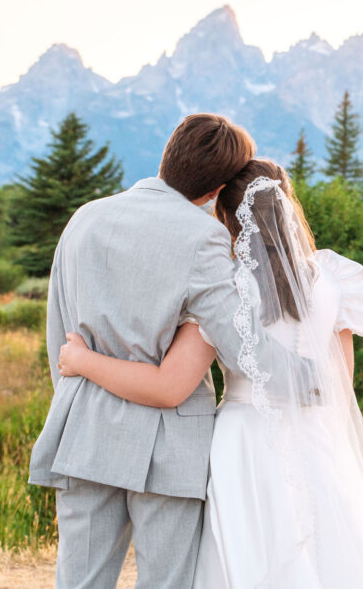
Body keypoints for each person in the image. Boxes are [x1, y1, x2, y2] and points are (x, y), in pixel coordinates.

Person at [58, 159, 363, 588]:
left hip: (244, 444)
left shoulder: (224, 289)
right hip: (319, 440)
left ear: (226, 214)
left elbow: (169, 387)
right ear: (287, 205)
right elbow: (338, 387)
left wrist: (83, 362)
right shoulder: (337, 279)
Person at [29, 114, 311, 588]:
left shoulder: (84, 219)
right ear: (216, 189)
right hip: (168, 448)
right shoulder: (204, 237)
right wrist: (311, 377)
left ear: (167, 154)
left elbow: (60, 332)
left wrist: (80, 399)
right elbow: (241, 344)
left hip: (85, 430)